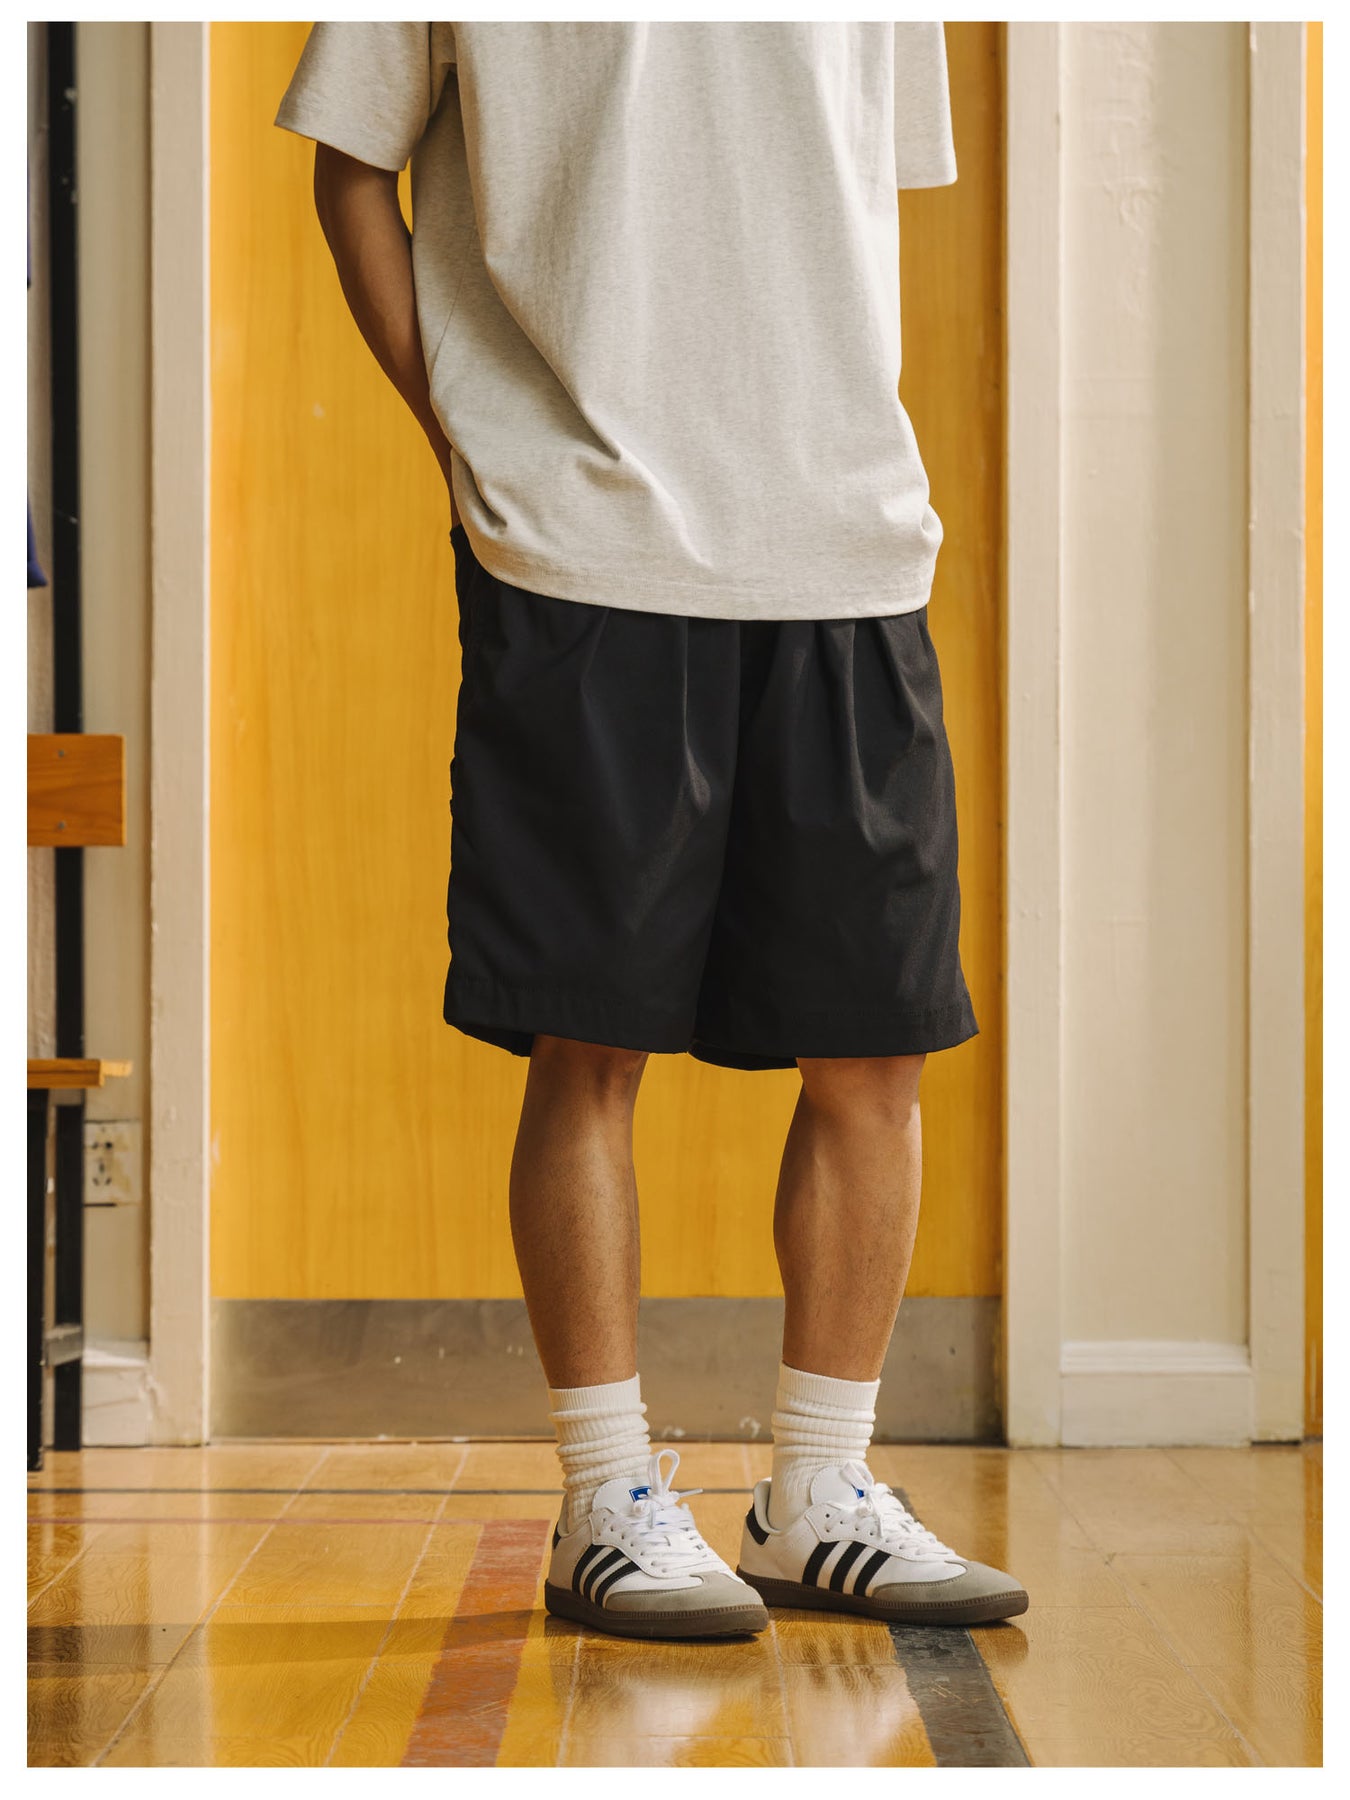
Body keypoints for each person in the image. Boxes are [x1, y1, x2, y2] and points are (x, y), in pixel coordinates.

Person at [275, 19, 1027, 1641]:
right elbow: (347, 173)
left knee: (874, 1048)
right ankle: (604, 1496)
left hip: (845, 548)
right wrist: (470, 441)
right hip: (584, 549)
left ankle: (818, 1487)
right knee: (589, 1041)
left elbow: (843, 200)